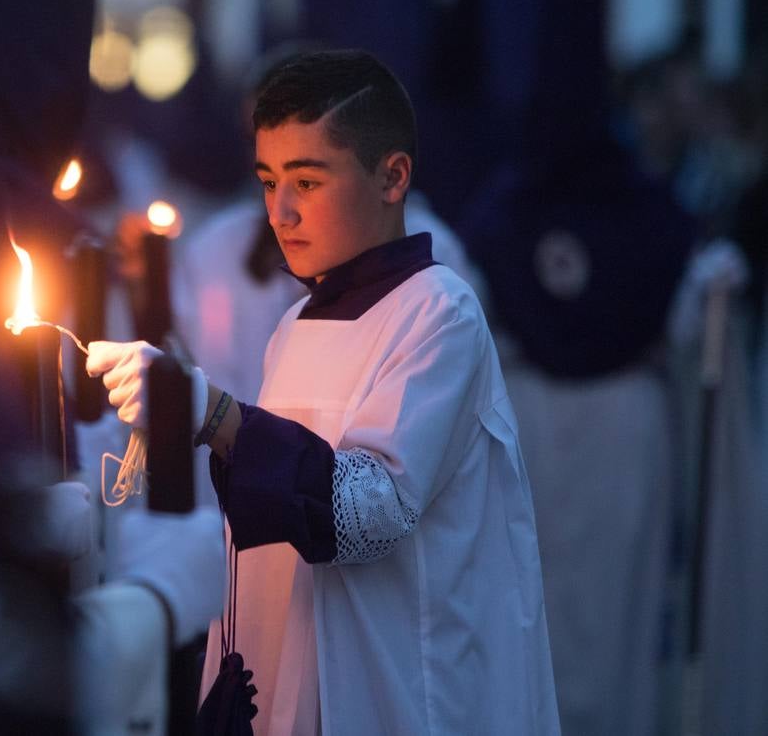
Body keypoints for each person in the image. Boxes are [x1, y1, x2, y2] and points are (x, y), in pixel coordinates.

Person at [87, 50, 559, 735]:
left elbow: (373, 509)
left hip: (398, 681)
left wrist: (215, 414)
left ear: (392, 176)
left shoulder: (438, 311)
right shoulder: (295, 323)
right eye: (268, 180)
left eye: (307, 181)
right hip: (298, 665)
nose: (279, 212)